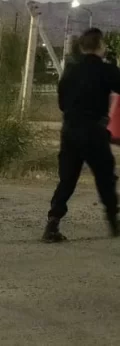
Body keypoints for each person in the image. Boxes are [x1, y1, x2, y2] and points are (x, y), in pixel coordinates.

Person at [43, 28, 120, 242]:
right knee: (105, 176)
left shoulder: (70, 70)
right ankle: (114, 221)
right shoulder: (106, 70)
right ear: (100, 46)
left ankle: (52, 224)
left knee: (67, 179)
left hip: (69, 131)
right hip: (94, 131)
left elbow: (62, 103)